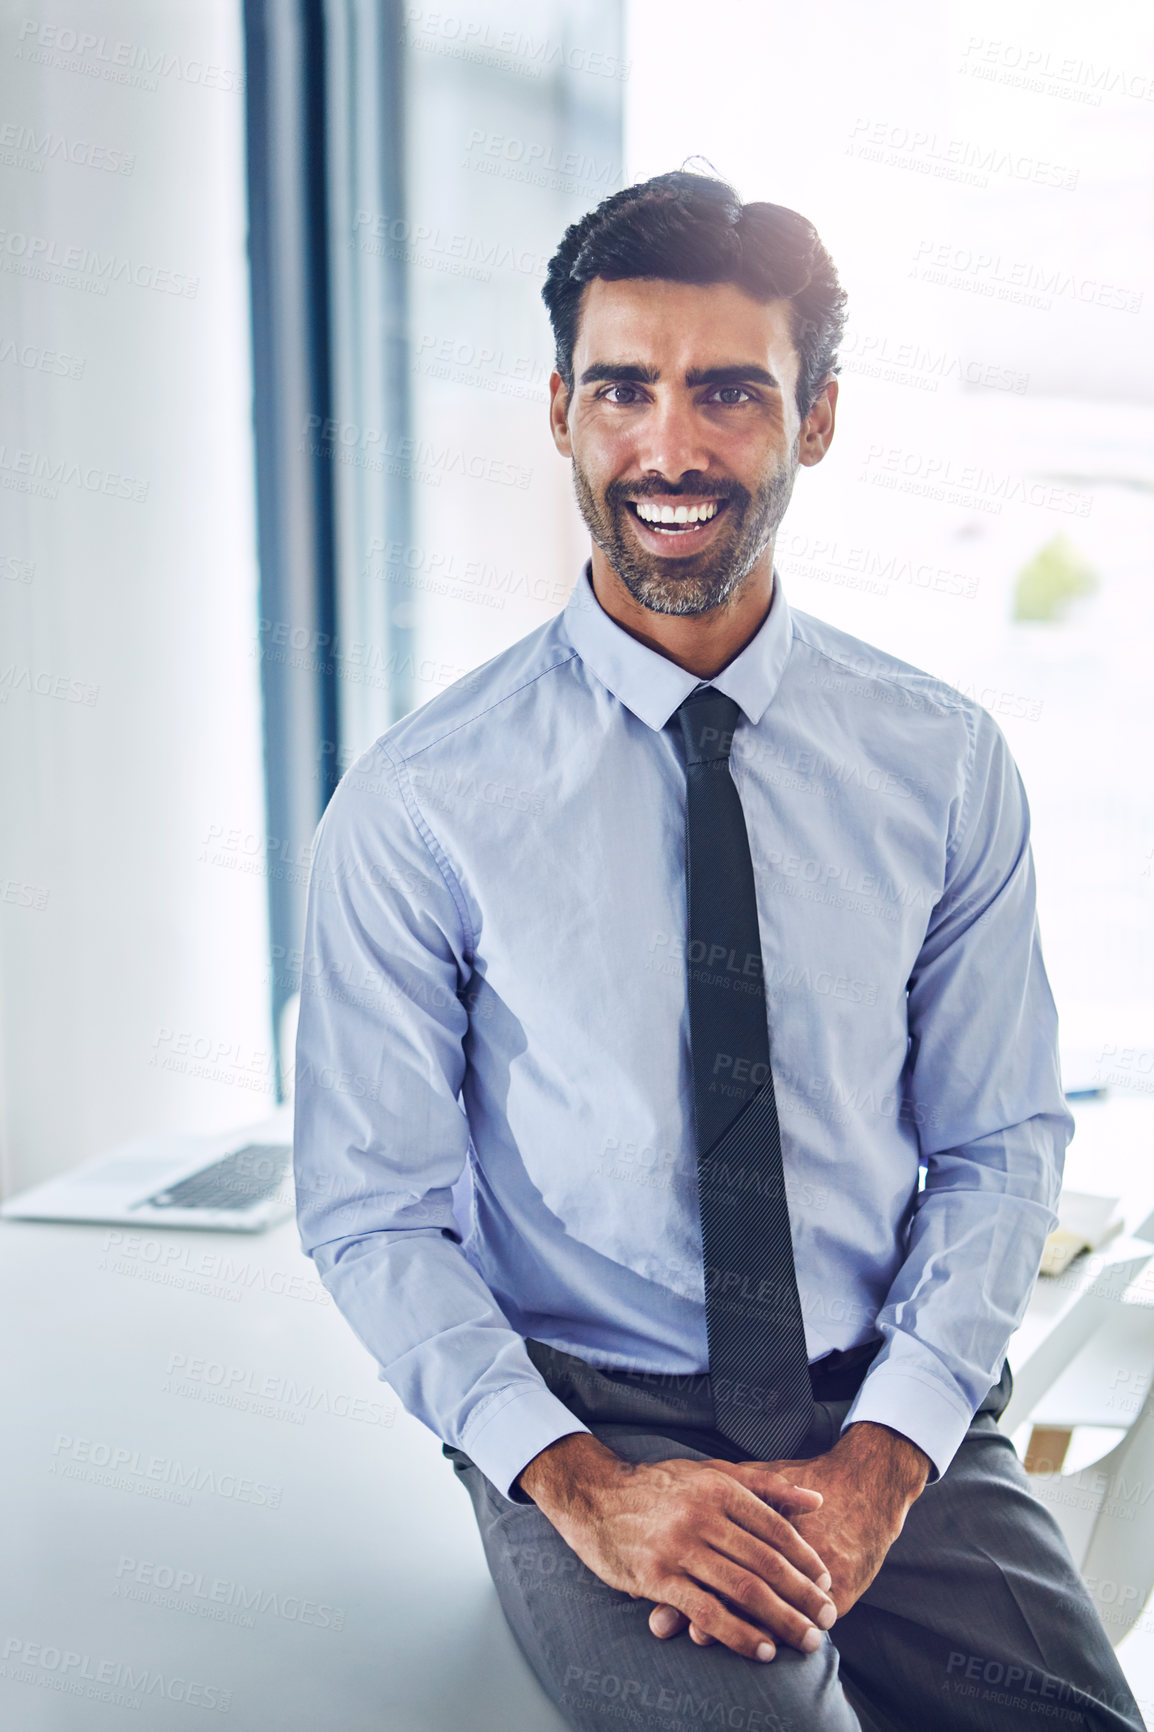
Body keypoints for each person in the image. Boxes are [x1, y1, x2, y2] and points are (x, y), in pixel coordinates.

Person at [292, 171, 1146, 1731]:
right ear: (560, 409)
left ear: (813, 419)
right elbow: (373, 1210)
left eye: (728, 394)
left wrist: (885, 1461)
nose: (669, 450)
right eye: (622, 389)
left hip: (882, 1396)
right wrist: (581, 1487)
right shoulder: (422, 800)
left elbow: (993, 1144)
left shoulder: (941, 765)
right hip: (598, 1425)